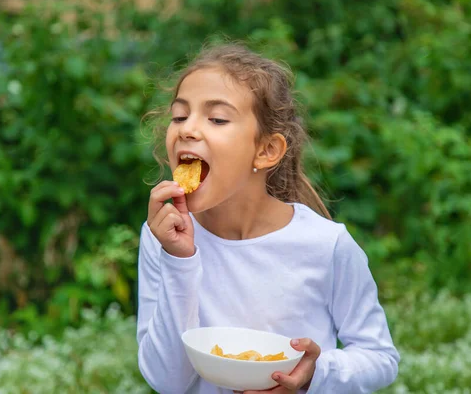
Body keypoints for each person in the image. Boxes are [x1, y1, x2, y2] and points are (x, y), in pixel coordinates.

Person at [136, 43, 399, 394]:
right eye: (180, 116)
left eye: (216, 119)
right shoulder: (162, 238)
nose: (187, 129)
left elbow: (379, 357)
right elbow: (167, 380)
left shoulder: (325, 245)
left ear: (266, 150)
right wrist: (178, 260)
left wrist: (315, 373)